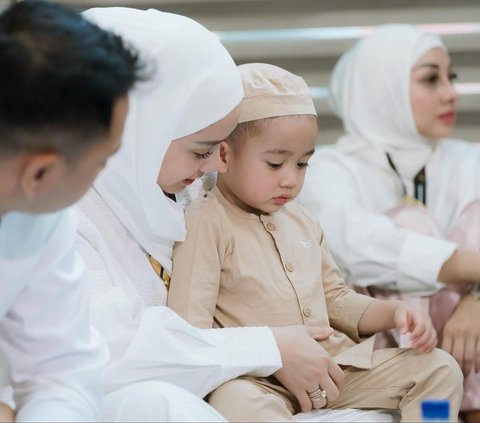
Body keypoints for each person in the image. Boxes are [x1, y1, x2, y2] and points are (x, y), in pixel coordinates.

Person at [75, 7, 334, 422]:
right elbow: (110, 354)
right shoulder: (62, 219)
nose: (218, 164)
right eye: (201, 150)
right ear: (138, 130)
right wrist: (268, 347)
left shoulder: (174, 191)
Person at [167, 63, 463, 422]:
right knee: (237, 402)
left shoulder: (302, 221)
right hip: (258, 380)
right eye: (275, 164)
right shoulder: (205, 220)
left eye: (303, 164)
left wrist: (394, 313)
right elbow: (189, 329)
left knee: (439, 368)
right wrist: (265, 353)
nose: (291, 180)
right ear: (224, 155)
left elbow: (336, 300)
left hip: (336, 369)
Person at [296, 24, 480, 421]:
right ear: (382, 87)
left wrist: (476, 298)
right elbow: (360, 246)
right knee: (411, 222)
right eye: (431, 79)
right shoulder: (329, 169)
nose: (450, 93)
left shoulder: (466, 159)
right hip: (383, 340)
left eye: (452, 78)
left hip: (468, 345)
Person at [0, 0, 141, 420]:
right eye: (103, 159)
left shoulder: (40, 214)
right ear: (42, 172)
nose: (104, 175)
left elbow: (61, 369)